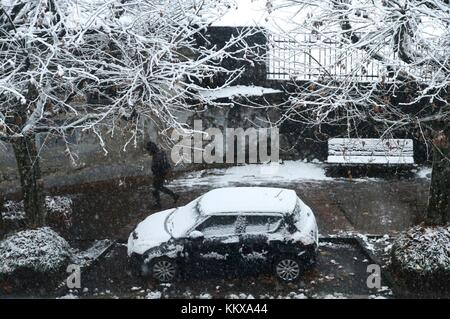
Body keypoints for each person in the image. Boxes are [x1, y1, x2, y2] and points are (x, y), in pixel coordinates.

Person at [146, 141, 179, 209]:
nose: (148, 152)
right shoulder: (158, 153)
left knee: (157, 188)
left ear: (151, 149)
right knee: (158, 187)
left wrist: (155, 171)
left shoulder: (157, 155)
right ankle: (173, 196)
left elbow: (158, 165)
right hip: (160, 173)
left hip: (159, 174)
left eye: (148, 150)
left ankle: (159, 204)